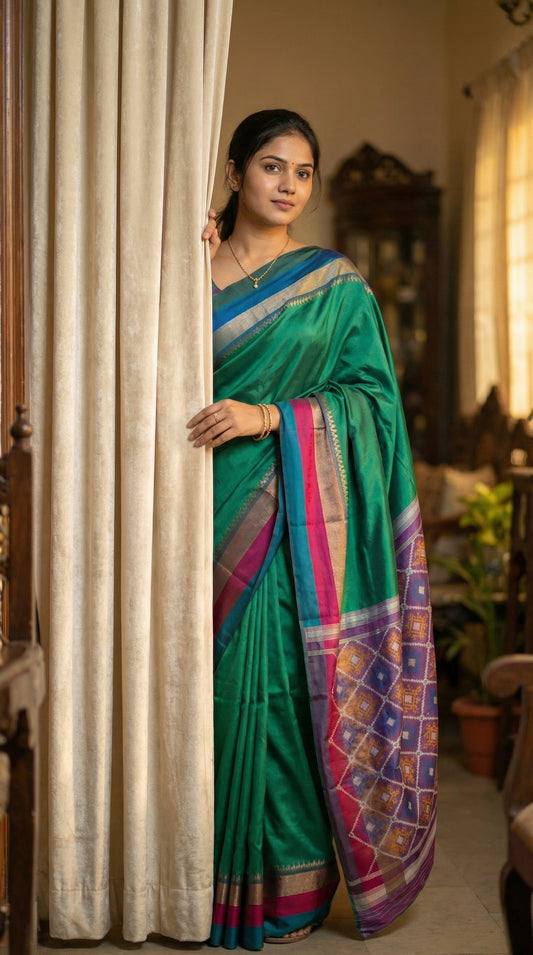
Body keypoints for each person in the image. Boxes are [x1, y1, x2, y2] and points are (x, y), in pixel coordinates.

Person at [192, 109, 438, 950]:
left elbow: (372, 403)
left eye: (302, 171)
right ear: (233, 175)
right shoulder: (185, 268)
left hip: (291, 517)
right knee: (204, 698)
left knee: (278, 696)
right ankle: (194, 879)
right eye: (271, 167)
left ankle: (286, 892)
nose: (288, 184)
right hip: (194, 506)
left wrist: (270, 415)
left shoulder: (336, 284)